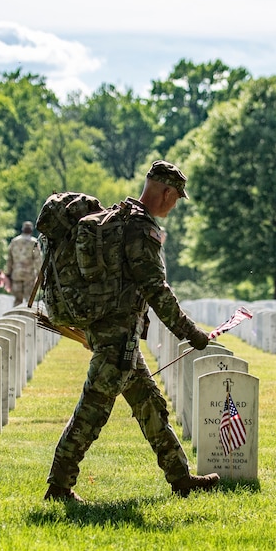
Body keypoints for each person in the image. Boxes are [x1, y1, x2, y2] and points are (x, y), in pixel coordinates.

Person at [45, 160, 219, 503]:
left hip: (111, 331)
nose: (174, 204)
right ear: (166, 192)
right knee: (93, 409)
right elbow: (156, 289)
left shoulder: (119, 218)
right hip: (117, 336)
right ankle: (59, 486)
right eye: (175, 197)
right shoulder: (140, 230)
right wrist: (191, 332)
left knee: (150, 404)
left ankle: (181, 479)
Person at [5, 221, 43, 306]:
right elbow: (38, 260)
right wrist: (40, 274)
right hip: (29, 275)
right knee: (29, 299)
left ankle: (15, 316)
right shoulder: (34, 242)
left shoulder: (15, 241)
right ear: (31, 230)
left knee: (17, 300)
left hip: (16, 275)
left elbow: (9, 259)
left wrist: (7, 273)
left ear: (22, 229)